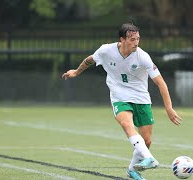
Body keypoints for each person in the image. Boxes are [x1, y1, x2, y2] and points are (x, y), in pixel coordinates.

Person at [62, 22, 182, 180]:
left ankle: (132, 170)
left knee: (146, 141)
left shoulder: (143, 56)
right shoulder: (106, 50)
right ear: (122, 39)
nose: (136, 42)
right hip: (119, 95)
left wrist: (169, 108)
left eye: (138, 39)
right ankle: (150, 159)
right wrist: (76, 72)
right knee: (127, 124)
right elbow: (90, 59)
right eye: (132, 39)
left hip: (141, 97)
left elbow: (161, 83)